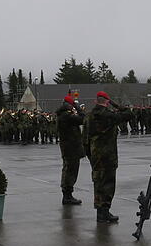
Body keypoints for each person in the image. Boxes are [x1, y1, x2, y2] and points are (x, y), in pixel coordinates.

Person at [84, 91, 132, 223]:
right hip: (108, 155)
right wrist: (115, 104)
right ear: (106, 101)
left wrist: (90, 154)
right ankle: (104, 212)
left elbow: (85, 138)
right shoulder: (109, 115)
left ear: (96, 101)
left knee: (98, 182)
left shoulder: (89, 116)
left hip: (95, 154)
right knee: (108, 183)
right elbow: (129, 114)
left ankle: (100, 213)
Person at [56, 94, 86, 205]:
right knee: (70, 171)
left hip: (69, 147)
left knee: (69, 170)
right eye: (71, 105)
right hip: (71, 148)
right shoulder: (66, 116)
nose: (72, 107)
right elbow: (83, 119)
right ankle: (67, 196)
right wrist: (77, 107)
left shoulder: (64, 115)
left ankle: (68, 195)